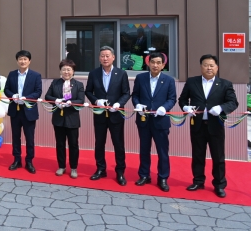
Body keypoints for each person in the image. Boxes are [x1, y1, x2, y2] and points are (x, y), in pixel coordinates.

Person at [178, 54, 239, 198]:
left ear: (217, 68)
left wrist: (221, 108)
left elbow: (233, 102)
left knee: (218, 157)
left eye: (212, 65)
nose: (209, 68)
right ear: (201, 67)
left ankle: (219, 184)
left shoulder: (225, 84)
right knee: (197, 155)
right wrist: (186, 107)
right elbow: (182, 99)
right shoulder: (192, 82)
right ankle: (198, 181)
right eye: (206, 65)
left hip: (215, 126)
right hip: (197, 125)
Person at [85, 46, 131, 186]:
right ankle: (100, 169)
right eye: (102, 56)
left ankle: (120, 171)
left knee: (118, 143)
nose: (105, 58)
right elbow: (88, 91)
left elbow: (126, 93)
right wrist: (96, 101)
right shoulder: (94, 73)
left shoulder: (121, 73)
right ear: (99, 58)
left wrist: (119, 104)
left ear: (113, 57)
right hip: (99, 114)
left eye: (107, 56)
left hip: (116, 115)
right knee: (99, 143)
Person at [132, 52, 176, 192]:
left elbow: (172, 98)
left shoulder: (169, 80)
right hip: (144, 120)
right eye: (153, 62)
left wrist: (164, 107)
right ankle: (144, 175)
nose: (155, 65)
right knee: (144, 149)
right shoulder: (140, 78)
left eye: (158, 63)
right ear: (148, 63)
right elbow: (136, 96)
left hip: (161, 121)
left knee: (162, 151)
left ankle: (163, 177)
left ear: (163, 65)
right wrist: (138, 105)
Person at [45, 59, 85, 179]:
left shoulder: (79, 85)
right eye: (64, 69)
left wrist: (70, 102)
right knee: (60, 144)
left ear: (73, 71)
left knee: (73, 144)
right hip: (58, 118)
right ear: (60, 71)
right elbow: (47, 96)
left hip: (72, 118)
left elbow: (81, 100)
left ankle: (73, 167)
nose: (66, 72)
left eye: (69, 69)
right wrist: (56, 101)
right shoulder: (55, 82)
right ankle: (61, 166)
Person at [4, 50, 42, 174]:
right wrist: (12, 95)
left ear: (29, 61)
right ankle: (17, 160)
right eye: (20, 59)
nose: (22, 61)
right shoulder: (12, 74)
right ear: (17, 61)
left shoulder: (36, 75)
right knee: (16, 137)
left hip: (29, 110)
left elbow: (38, 92)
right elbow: (6, 89)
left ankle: (29, 161)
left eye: (25, 59)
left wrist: (27, 98)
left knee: (29, 138)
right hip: (15, 110)